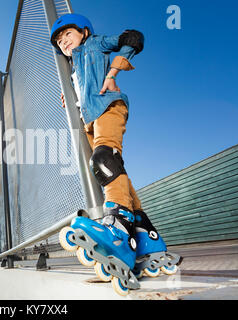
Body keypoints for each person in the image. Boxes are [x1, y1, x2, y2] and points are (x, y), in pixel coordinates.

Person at [53, 13, 182, 295]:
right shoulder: (72, 69)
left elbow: (133, 38)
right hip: (89, 119)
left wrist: (113, 73)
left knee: (104, 161)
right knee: (115, 172)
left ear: (84, 32)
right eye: (60, 41)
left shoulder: (95, 43)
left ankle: (118, 230)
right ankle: (148, 239)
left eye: (68, 36)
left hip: (108, 107)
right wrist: (73, 96)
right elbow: (83, 86)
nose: (64, 42)